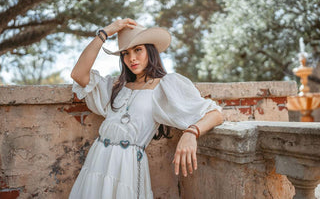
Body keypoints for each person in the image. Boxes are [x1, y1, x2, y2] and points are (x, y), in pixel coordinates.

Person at [69, 18, 223, 199]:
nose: (131, 58)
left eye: (138, 50)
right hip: (98, 159)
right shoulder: (116, 86)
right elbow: (78, 74)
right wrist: (106, 32)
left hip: (127, 165)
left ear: (150, 51)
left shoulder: (166, 86)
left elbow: (215, 114)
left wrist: (191, 133)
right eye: (125, 53)